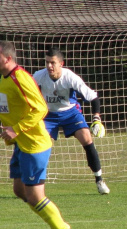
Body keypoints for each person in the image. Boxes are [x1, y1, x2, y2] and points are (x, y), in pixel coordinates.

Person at [0, 41, 81, 229]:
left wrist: (16, 128)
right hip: (23, 143)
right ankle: (58, 226)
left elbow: (40, 107)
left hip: (34, 144)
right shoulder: (6, 78)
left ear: (8, 59)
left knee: (34, 196)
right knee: (20, 191)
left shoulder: (19, 77)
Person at [33, 47, 110, 195]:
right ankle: (34, 183)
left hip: (70, 113)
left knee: (87, 139)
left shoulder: (70, 77)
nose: (49, 66)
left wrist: (96, 118)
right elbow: (26, 92)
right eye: (47, 62)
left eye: (53, 63)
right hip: (48, 115)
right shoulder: (38, 76)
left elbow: (93, 97)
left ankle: (99, 180)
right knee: (40, 146)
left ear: (61, 63)